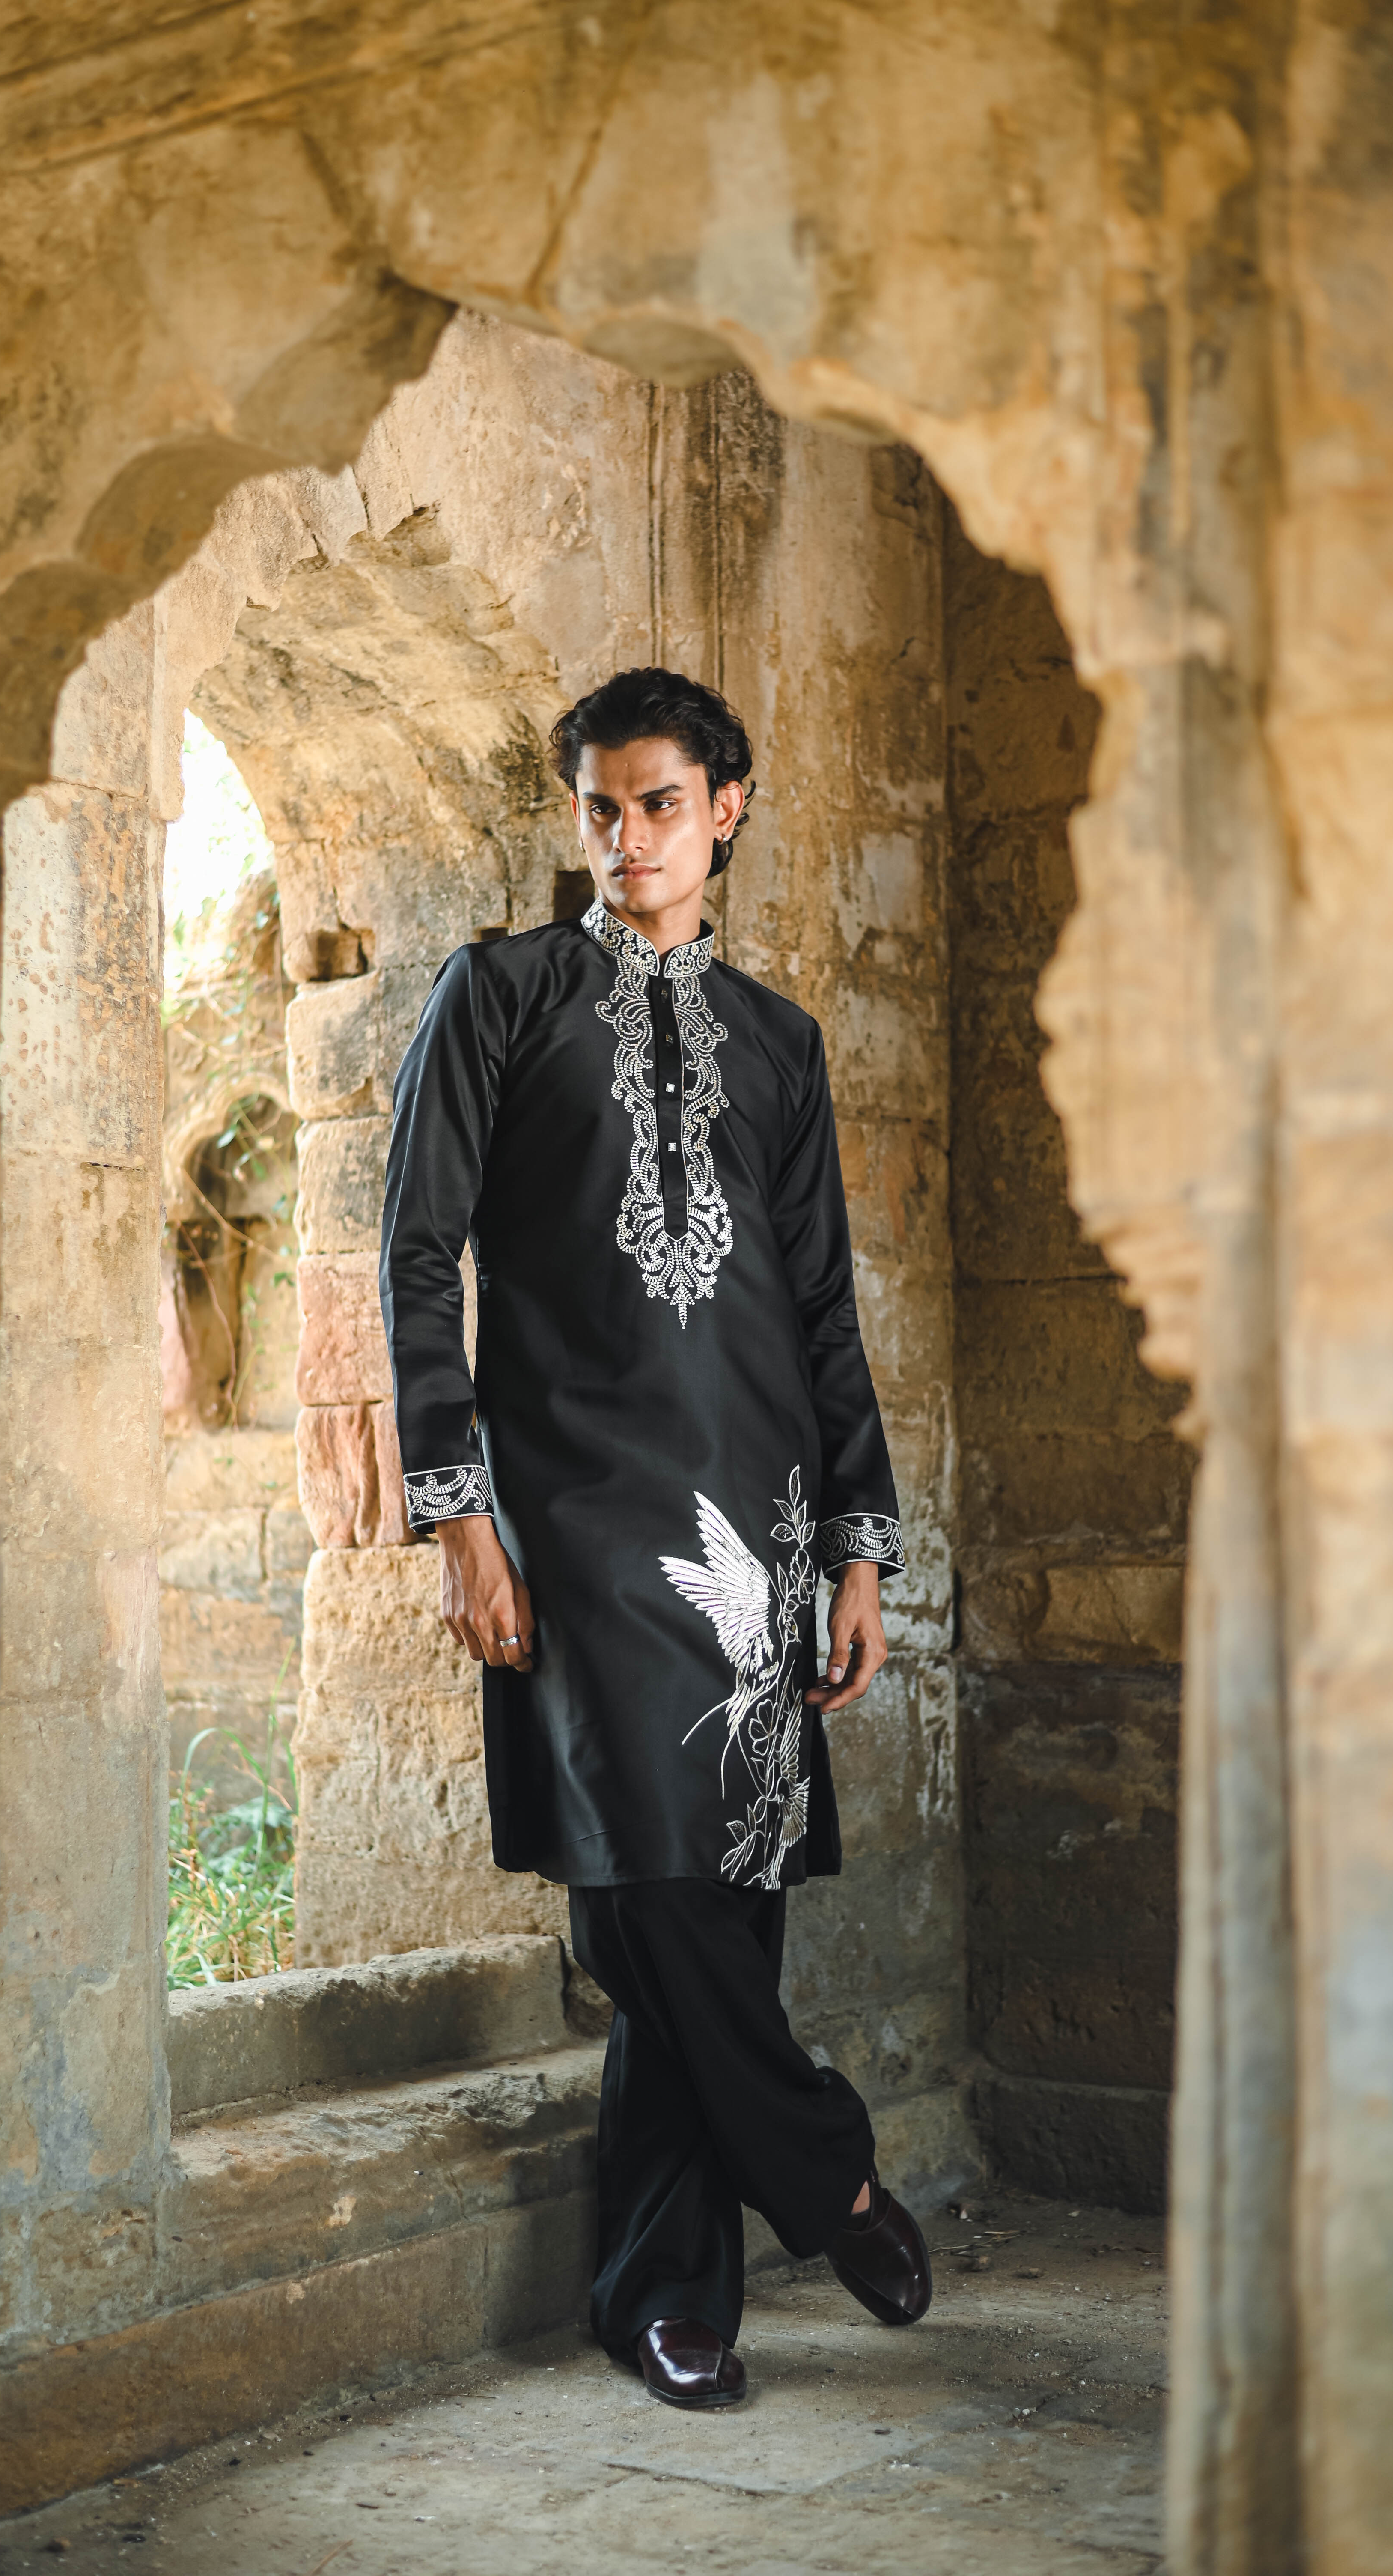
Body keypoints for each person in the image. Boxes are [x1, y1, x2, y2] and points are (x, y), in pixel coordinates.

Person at [379, 665, 931, 2411]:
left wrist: (856, 1548)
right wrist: (456, 1513)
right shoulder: (500, 996)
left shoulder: (779, 1043)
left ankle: (667, 2299)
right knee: (645, 1888)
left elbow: (823, 1310)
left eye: (661, 805)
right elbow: (415, 1256)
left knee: (719, 1901)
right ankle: (828, 2174)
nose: (627, 840)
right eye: (601, 810)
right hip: (572, 1518)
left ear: (726, 807)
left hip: (756, 1513)